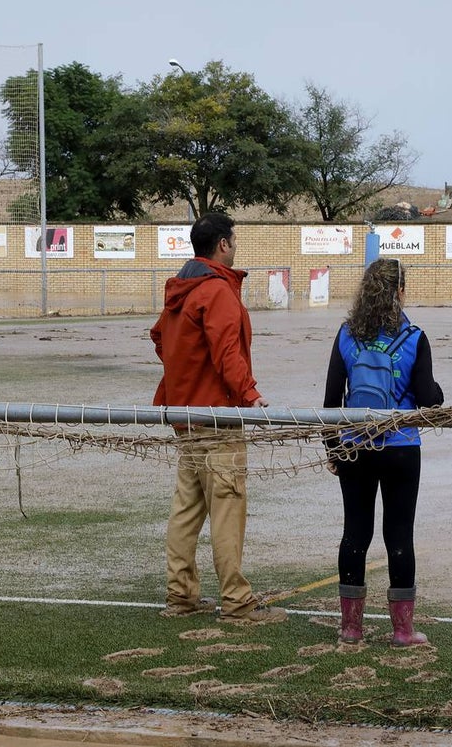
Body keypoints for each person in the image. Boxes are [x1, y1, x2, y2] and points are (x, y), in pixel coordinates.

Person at [150, 212, 287, 626]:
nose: (236, 247)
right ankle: (237, 602)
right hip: (216, 419)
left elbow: (160, 337)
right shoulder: (216, 291)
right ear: (223, 245)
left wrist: (185, 376)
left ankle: (181, 595)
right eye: (234, 241)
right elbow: (227, 352)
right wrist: (249, 394)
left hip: (185, 417)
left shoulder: (182, 290)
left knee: (187, 508)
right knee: (227, 507)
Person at [323, 257, 444, 646]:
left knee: (354, 533)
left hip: (355, 447)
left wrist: (333, 449)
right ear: (400, 293)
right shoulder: (414, 338)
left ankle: (351, 628)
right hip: (401, 448)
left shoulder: (346, 335)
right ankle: (403, 631)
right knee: (399, 534)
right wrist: (437, 391)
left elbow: (330, 402)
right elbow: (428, 399)